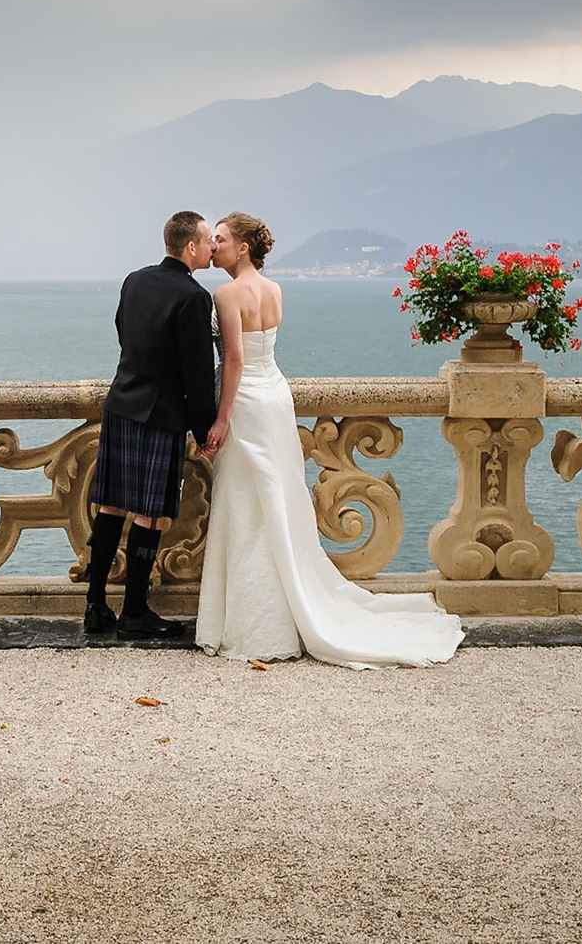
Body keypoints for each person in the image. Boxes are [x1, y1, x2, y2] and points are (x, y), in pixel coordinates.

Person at [196, 211, 464, 668]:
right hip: (276, 397)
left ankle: (254, 623)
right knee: (277, 502)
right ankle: (279, 607)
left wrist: (220, 420)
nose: (212, 246)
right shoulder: (274, 290)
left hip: (245, 403)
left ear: (242, 247)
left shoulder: (225, 293)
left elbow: (236, 362)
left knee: (247, 506)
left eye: (219, 239)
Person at [84, 211, 220, 640]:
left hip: (121, 404)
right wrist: (204, 430)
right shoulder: (194, 297)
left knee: (110, 508)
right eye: (207, 241)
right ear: (191, 247)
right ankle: (136, 613)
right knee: (151, 515)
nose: (212, 248)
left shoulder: (135, 280)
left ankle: (95, 606)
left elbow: (124, 330)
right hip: (159, 416)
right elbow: (198, 373)